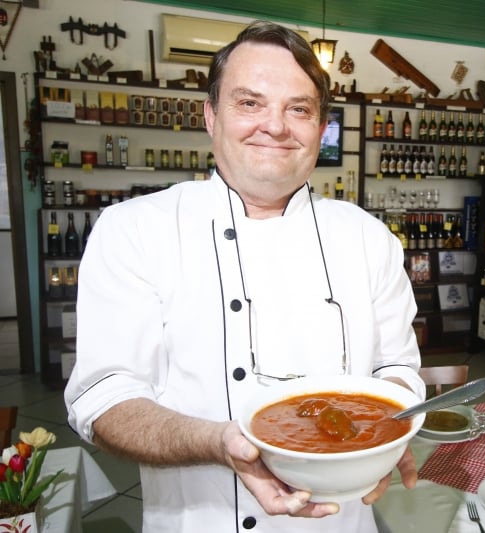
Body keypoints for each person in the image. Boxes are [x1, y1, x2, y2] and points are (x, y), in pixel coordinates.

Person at [64, 21, 425, 533]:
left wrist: (390, 435)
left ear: (321, 129)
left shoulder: (370, 238)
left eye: (298, 108)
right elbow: (102, 399)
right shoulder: (134, 230)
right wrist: (217, 442)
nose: (275, 126)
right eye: (250, 103)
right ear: (211, 116)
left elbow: (398, 368)